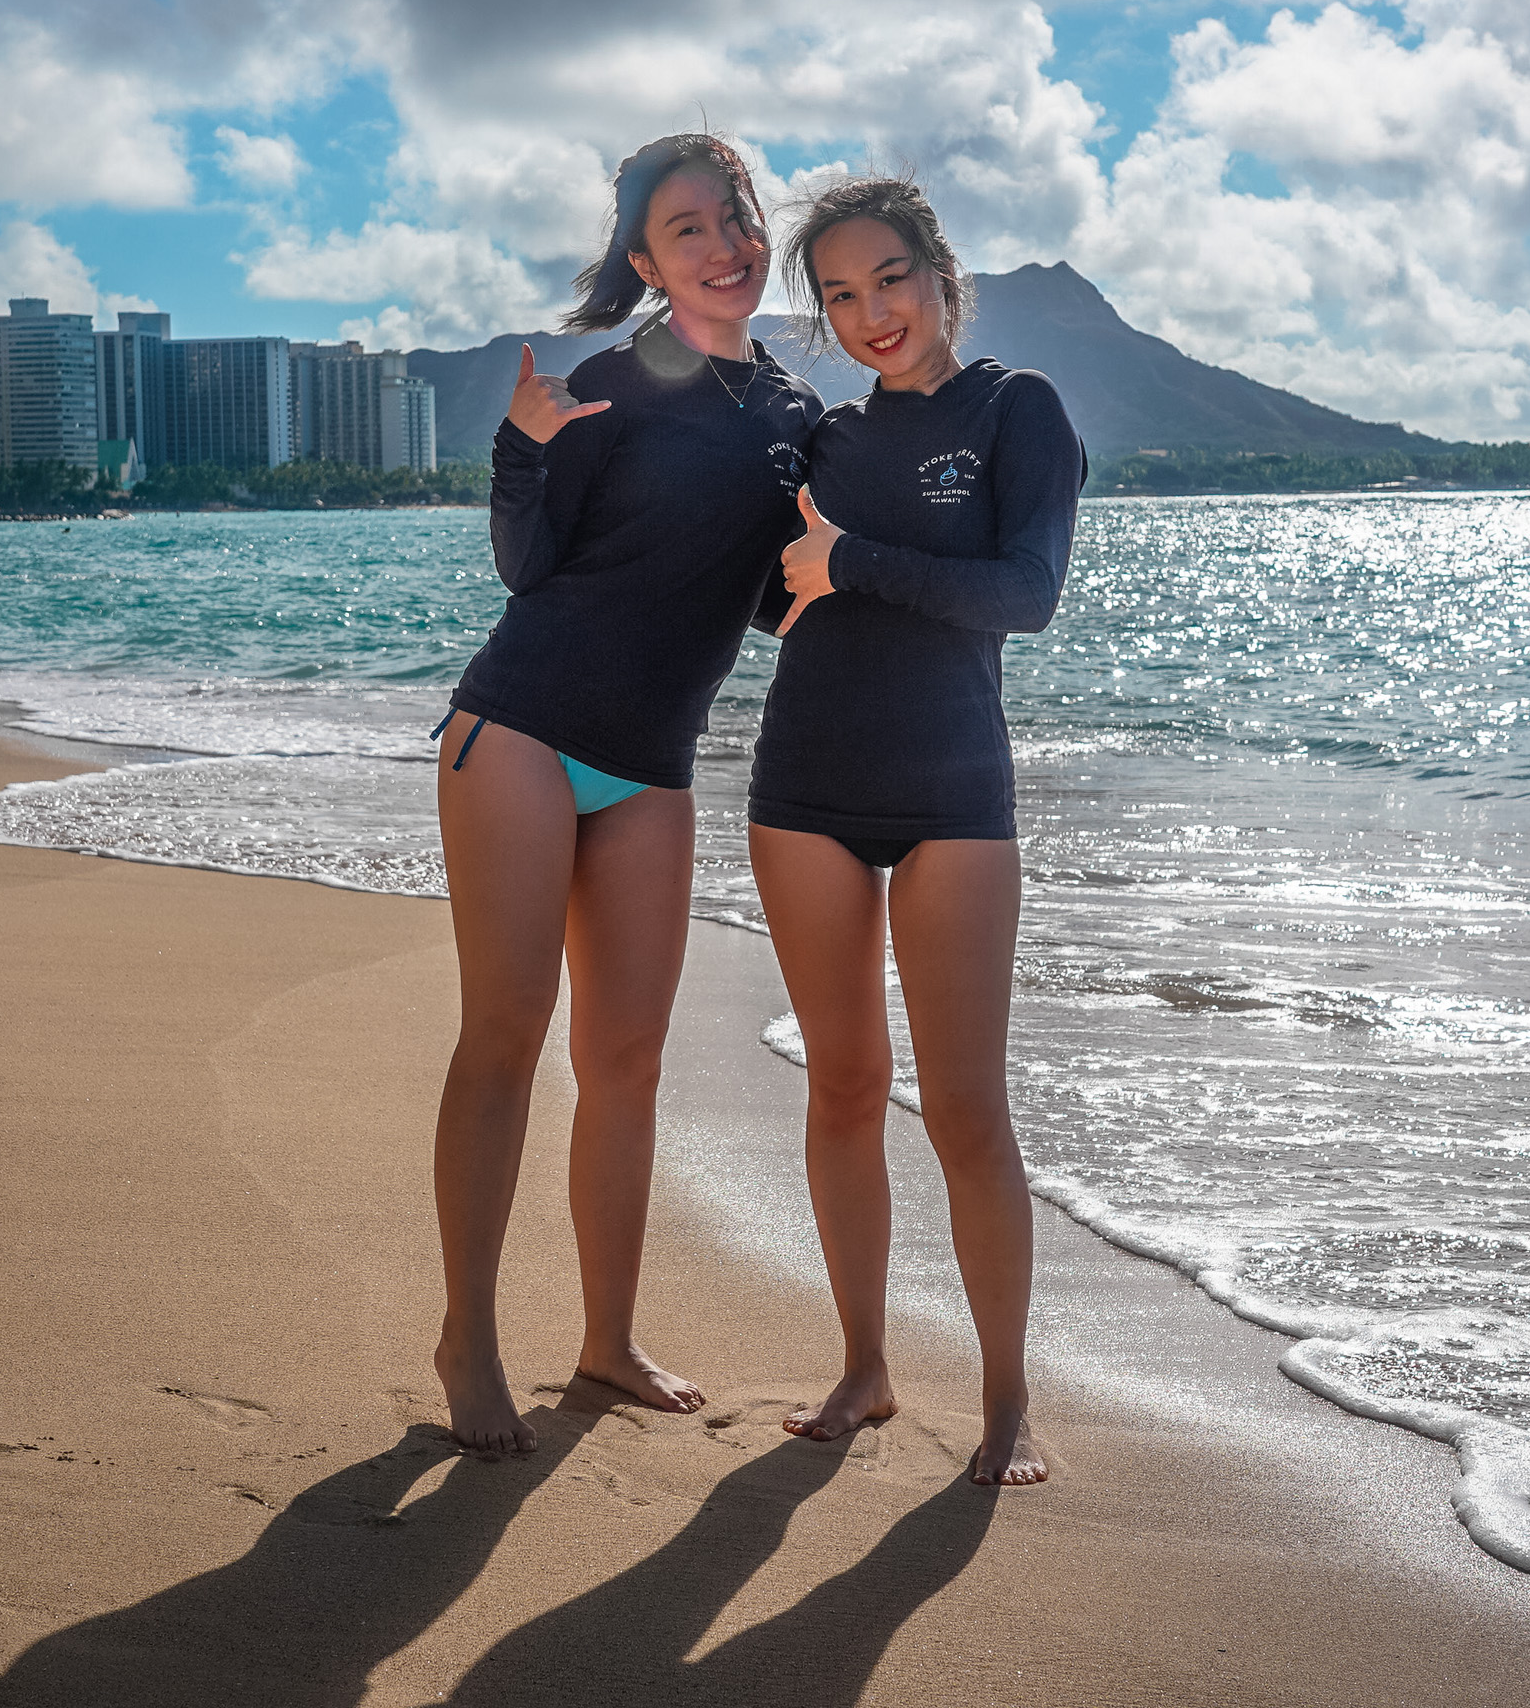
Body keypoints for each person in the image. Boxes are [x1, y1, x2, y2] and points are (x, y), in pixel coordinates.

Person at [432, 134, 822, 1454]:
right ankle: (468, 1339)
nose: (724, 245)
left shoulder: (792, 417)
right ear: (648, 262)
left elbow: (768, 603)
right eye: (688, 228)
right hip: (524, 728)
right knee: (506, 1033)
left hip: (652, 762)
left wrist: (857, 570)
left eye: (737, 218)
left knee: (628, 1061)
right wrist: (518, 449)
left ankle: (604, 1340)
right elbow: (527, 568)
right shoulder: (609, 383)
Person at [747, 174, 1085, 1486]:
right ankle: (864, 1368)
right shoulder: (824, 444)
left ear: (942, 276)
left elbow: (1026, 594)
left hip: (955, 796)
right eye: (839, 294)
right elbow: (775, 608)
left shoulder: (1017, 411)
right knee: (842, 1086)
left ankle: (1006, 1404)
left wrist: (855, 567)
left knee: (965, 1111)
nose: (870, 312)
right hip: (806, 787)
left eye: (890, 278)